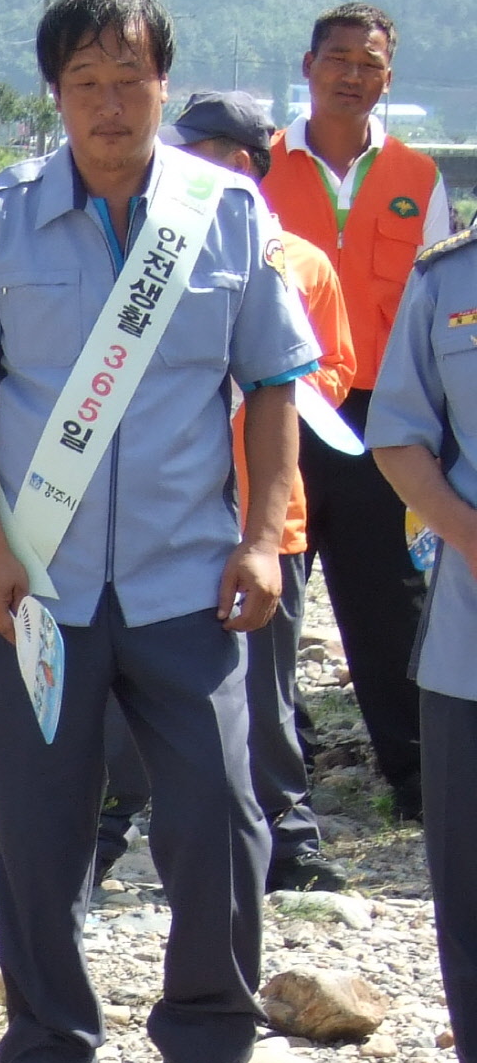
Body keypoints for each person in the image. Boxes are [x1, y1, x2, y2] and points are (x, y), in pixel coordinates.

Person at [0, 0, 318, 1063]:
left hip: (189, 580)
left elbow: (272, 386)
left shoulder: (227, 218)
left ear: (161, 86)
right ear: (54, 95)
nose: (105, 103)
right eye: (82, 83)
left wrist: (260, 533)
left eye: (126, 80)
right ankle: (45, 1054)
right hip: (33, 589)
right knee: (36, 832)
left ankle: (202, 1056)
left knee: (217, 817)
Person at [96, 91, 358, 899]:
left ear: (239, 164)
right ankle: (104, 830)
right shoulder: (136, 254)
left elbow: (335, 374)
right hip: (161, 520)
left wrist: (267, 382)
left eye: (199, 152)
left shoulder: (297, 262)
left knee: (265, 693)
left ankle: (288, 835)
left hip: (264, 525)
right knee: (134, 689)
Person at [261, 4, 453, 822]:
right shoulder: (257, 166)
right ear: (307, 66)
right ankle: (274, 778)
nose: (351, 75)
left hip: (385, 417)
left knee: (390, 598)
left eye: (369, 64)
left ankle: (418, 782)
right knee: (271, 594)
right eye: (338, 59)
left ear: (388, 79)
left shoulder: (420, 178)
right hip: (277, 405)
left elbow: (444, 308)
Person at [365, 221, 477, 1063]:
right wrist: (468, 535)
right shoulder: (451, 279)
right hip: (471, 635)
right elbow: (398, 433)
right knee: (471, 879)